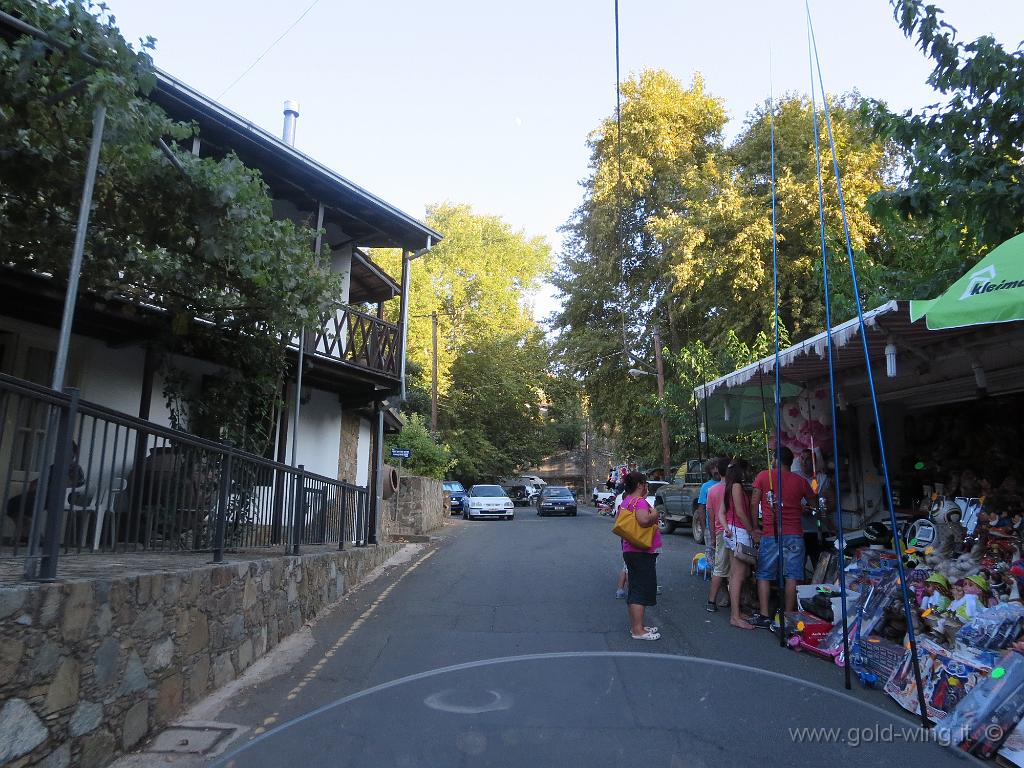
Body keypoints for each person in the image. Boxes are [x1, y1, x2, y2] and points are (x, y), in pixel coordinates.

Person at [748, 446, 817, 629]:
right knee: (792, 576)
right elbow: (814, 505)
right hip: (794, 534)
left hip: (771, 533)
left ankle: (764, 615)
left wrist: (755, 527)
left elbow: (754, 502)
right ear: (790, 461)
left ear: (775, 459)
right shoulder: (800, 481)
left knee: (764, 574)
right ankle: (788, 616)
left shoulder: (764, 476)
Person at [5, 442, 85, 538]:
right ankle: (28, 533)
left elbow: (76, 484)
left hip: (51, 497)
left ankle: (32, 534)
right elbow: (39, 481)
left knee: (17, 505)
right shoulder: (57, 466)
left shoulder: (73, 468)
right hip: (44, 495)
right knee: (15, 505)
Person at [618, 471, 661, 640]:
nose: (646, 486)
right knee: (640, 590)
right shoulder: (640, 502)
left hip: (630, 549)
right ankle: (638, 630)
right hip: (641, 551)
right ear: (639, 485)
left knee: (636, 587)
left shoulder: (627, 501)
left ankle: (638, 626)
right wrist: (655, 514)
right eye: (645, 483)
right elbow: (643, 521)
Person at [718, 460, 756, 630]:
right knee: (739, 575)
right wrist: (752, 530)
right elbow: (740, 512)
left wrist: (726, 528)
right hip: (739, 532)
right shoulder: (737, 487)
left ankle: (736, 612)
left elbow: (722, 512)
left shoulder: (728, 486)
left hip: (732, 533)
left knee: (735, 575)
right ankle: (735, 616)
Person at [704, 457, 730, 613]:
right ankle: (715, 600)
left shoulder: (711, 490)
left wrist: (713, 538)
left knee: (719, 567)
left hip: (720, 531)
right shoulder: (734, 488)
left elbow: (711, 516)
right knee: (734, 570)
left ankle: (711, 601)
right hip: (732, 531)